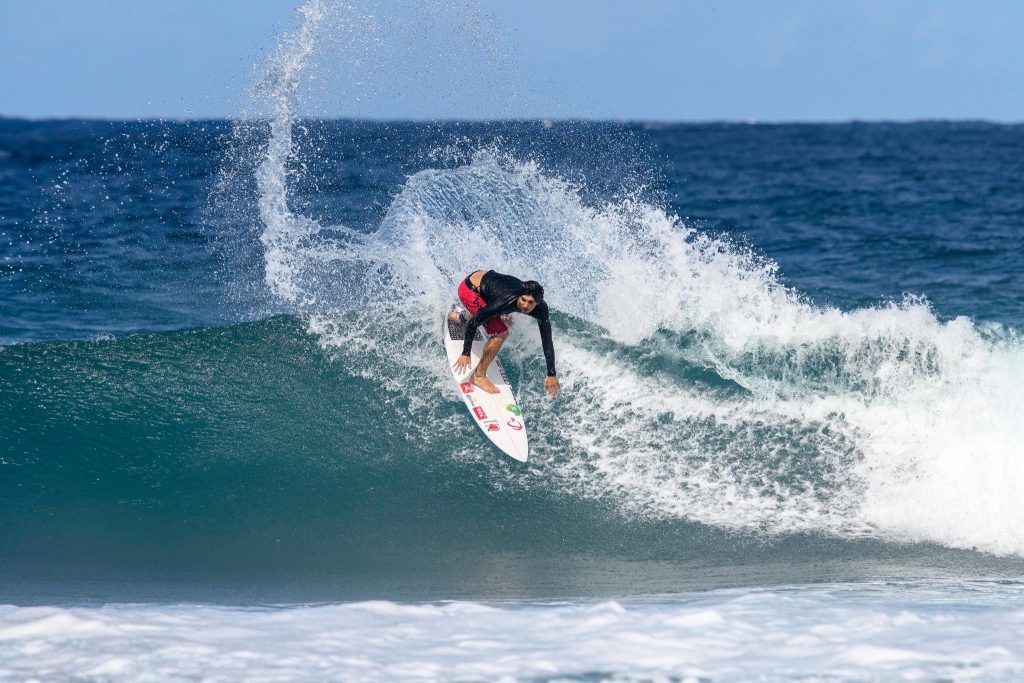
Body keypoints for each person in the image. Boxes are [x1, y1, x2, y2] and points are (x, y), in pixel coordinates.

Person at [449, 269, 560, 397]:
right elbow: (473, 324)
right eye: (523, 300)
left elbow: (547, 339)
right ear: (519, 295)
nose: (525, 305)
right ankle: (478, 375)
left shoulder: (541, 310)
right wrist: (465, 353)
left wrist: (551, 373)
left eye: (530, 303)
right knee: (501, 333)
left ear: (538, 302)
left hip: (487, 284)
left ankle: (461, 316)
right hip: (469, 289)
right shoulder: (504, 301)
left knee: (508, 321)